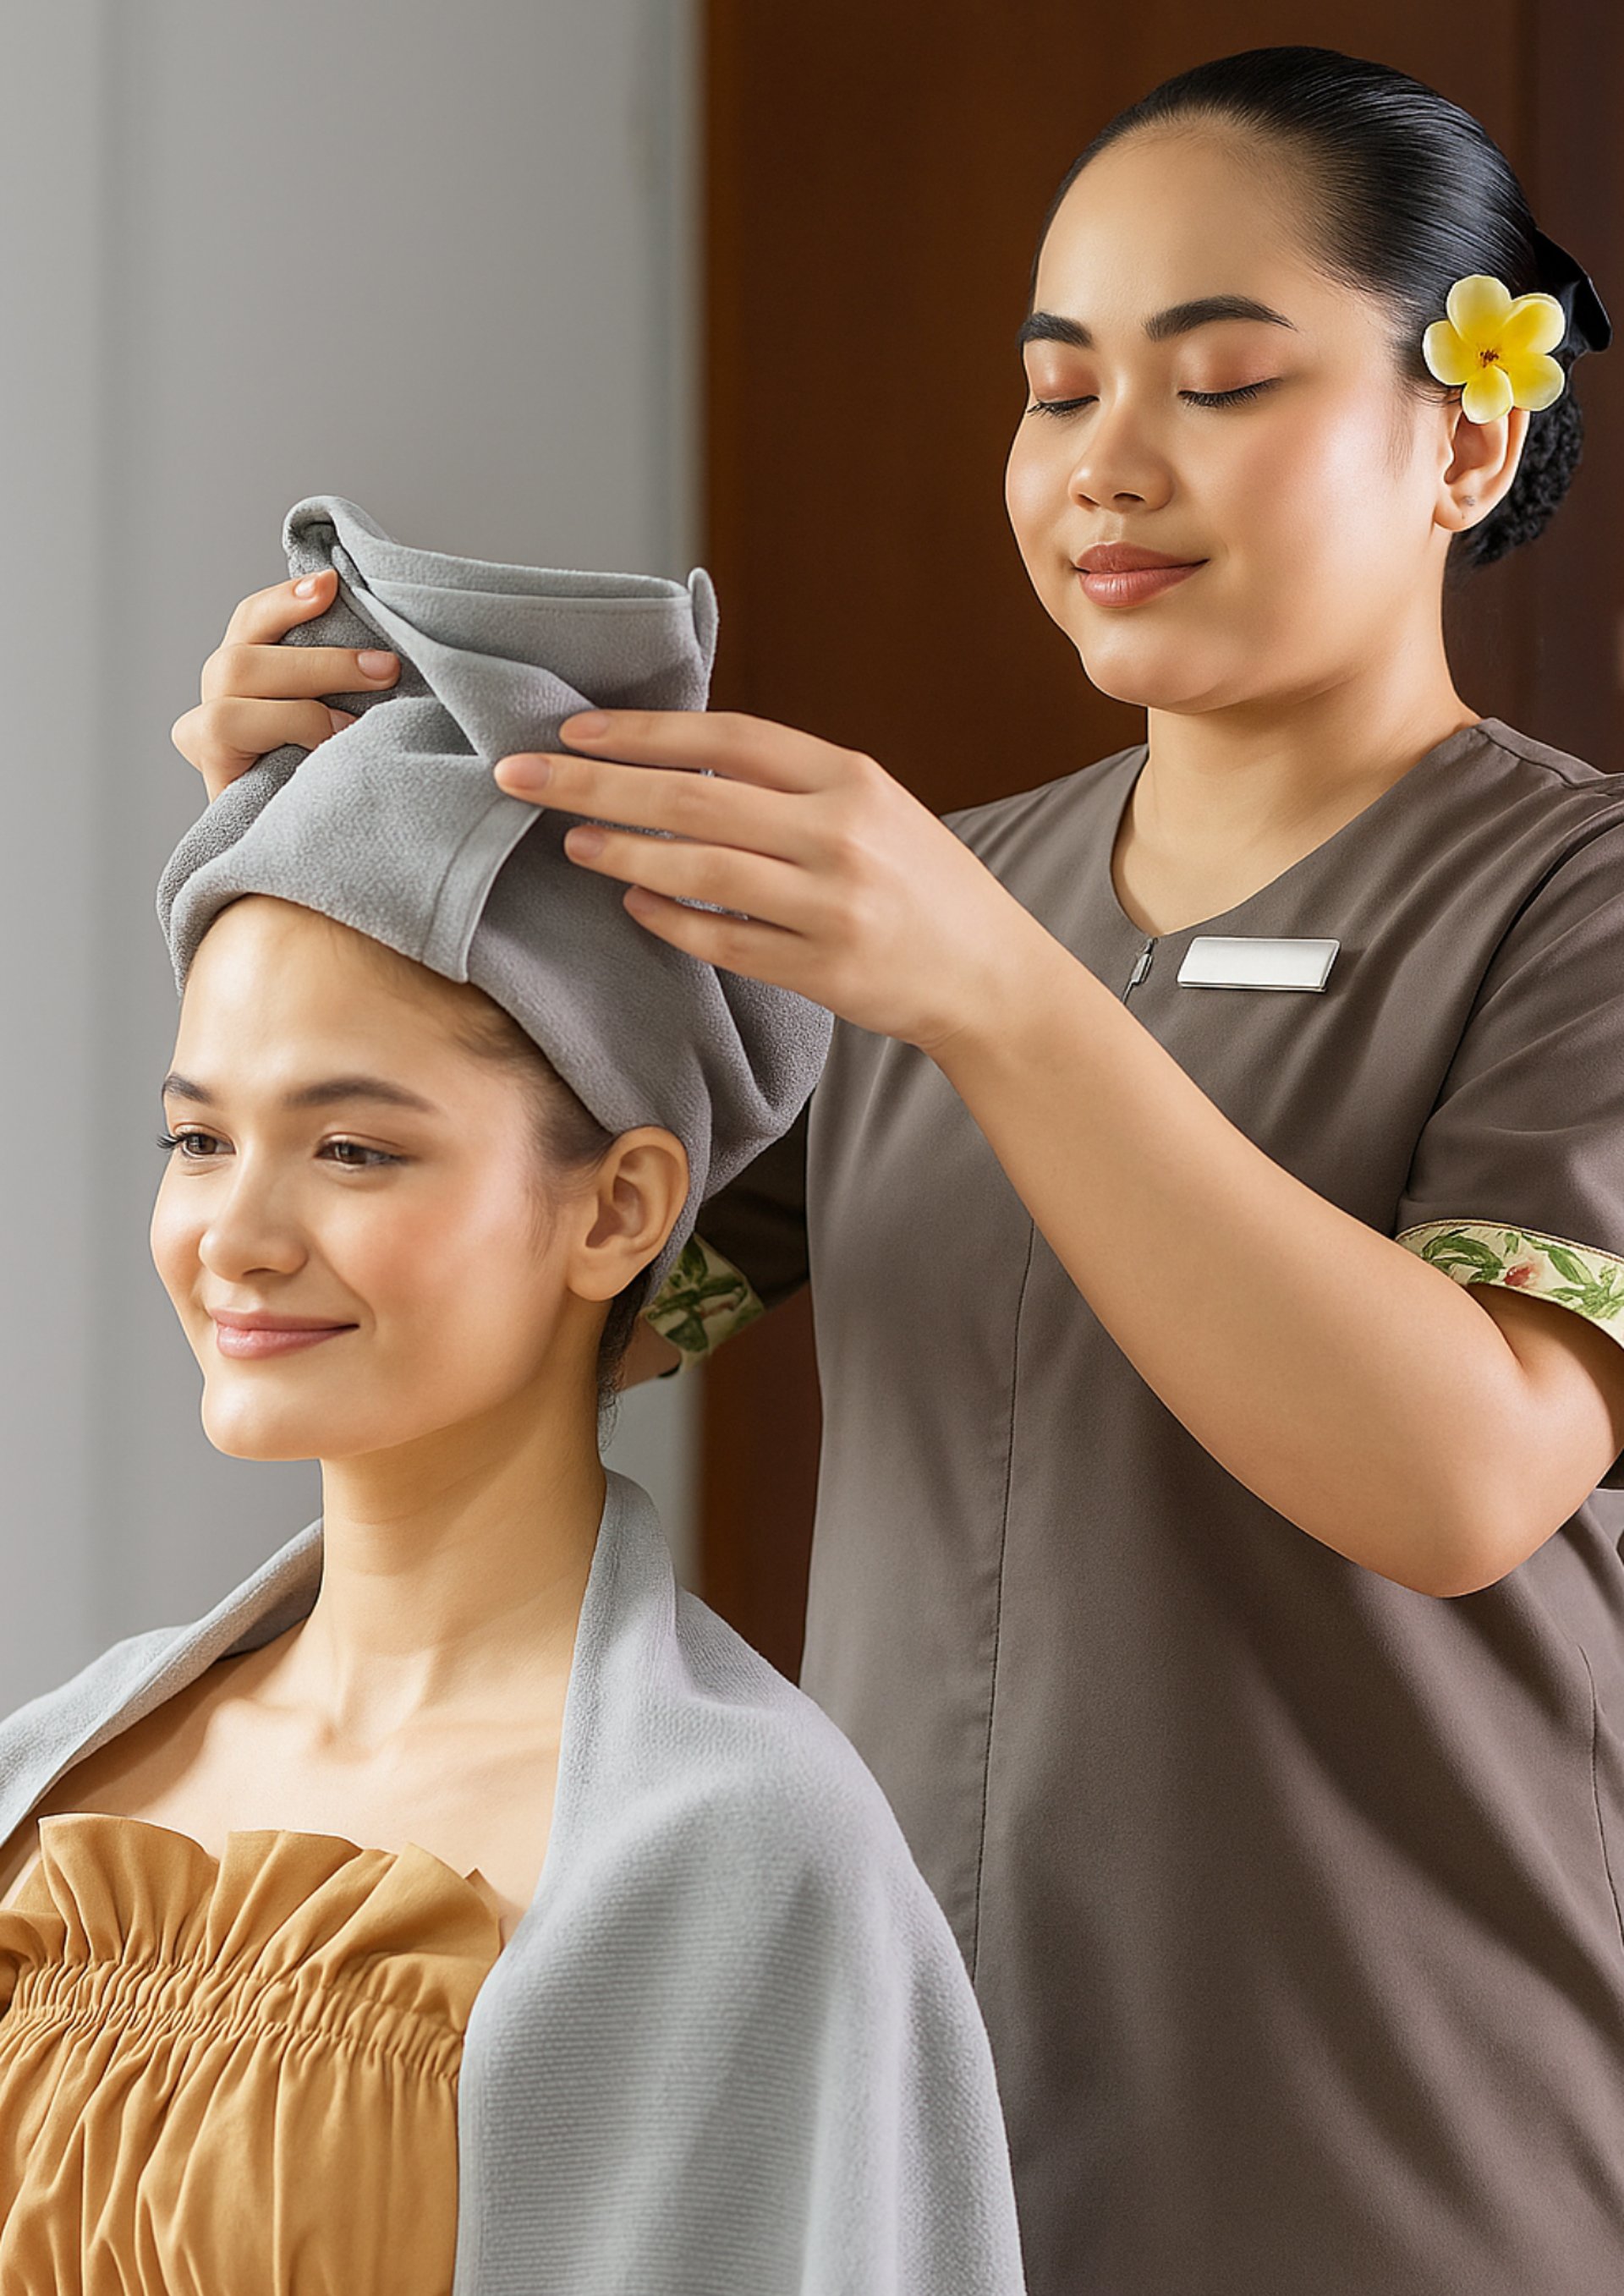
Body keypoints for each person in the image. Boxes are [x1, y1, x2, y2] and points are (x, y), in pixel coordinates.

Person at [172, 47, 1624, 2295]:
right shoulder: (935, 893)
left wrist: (997, 995)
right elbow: (559, 1290)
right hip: (895, 2160)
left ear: (1467, 430)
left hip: (1393, 2178)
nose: (1107, 466)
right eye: (1056, 394)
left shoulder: (1568, 906)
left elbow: (1463, 1474)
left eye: (1222, 381)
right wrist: (327, 849)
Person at [0, 500, 1029, 2296]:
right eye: (195, 1136)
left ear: (618, 1205)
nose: (234, 1232)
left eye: (351, 1145)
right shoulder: (52, 1767)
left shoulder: (746, 1855)